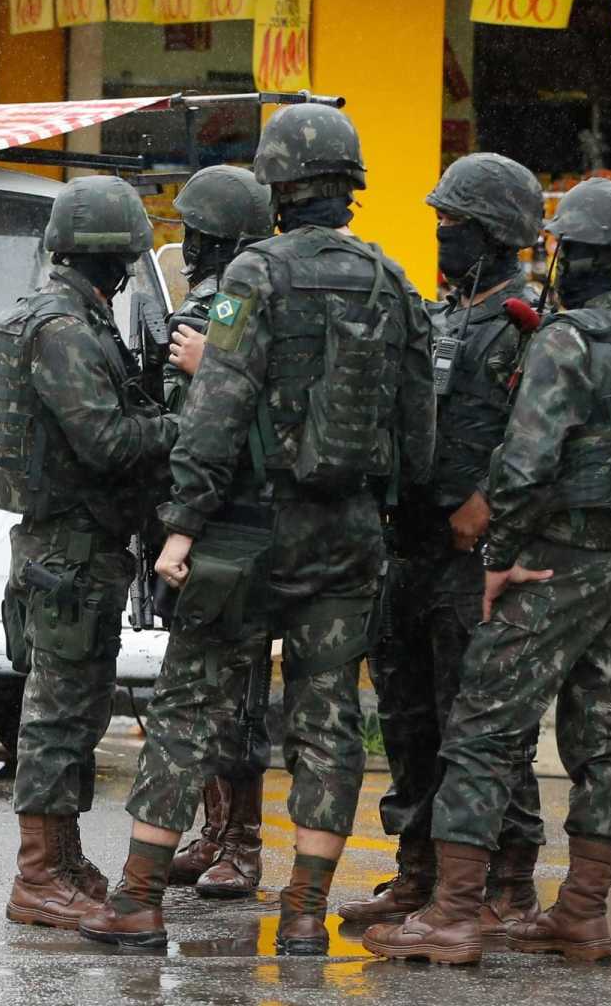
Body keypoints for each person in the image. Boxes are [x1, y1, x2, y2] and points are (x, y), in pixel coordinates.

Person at [79, 103, 435, 955]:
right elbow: (417, 432)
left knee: (190, 707)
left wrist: (182, 523)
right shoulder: (392, 281)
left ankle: (136, 900)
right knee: (327, 720)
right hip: (348, 537)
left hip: (243, 533)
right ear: (349, 188)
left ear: (275, 186)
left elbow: (218, 404)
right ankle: (306, 914)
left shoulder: (252, 277)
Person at [365, 178, 611, 965]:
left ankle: (453, 914)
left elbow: (523, 463)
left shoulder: (566, 338)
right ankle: (581, 914)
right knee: (601, 743)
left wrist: (497, 558)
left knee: (482, 729)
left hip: (556, 561)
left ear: (579, 252)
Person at [337, 153, 548, 931]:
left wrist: (489, 505)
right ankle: (417, 871)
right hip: (411, 545)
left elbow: (540, 434)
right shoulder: (440, 314)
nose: (441, 236)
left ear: (494, 233)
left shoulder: (531, 326)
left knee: (485, 723)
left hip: (477, 557)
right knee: (407, 715)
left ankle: (510, 883)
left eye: (453, 224)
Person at [0, 174, 182, 931]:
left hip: (73, 547)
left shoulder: (73, 318)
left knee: (77, 710)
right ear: (114, 259)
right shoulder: (64, 330)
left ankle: (60, 860)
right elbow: (102, 440)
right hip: (67, 550)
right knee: (57, 718)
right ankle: (38, 876)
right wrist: (175, 428)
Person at [159, 165, 276, 901]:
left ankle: (243, 843)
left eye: (193, 231)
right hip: (199, 519)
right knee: (205, 691)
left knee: (238, 695)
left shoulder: (238, 306)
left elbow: (229, 418)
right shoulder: (210, 303)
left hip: (234, 523)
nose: (186, 242)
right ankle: (214, 832)